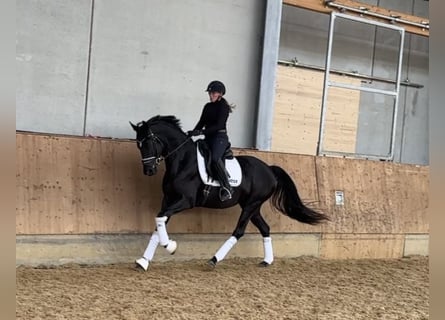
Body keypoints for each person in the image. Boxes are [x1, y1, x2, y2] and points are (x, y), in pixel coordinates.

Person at [187, 80, 234, 202]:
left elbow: (219, 125)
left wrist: (201, 132)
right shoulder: (207, 107)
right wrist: (192, 133)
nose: (211, 95)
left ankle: (227, 187)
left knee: (214, 159)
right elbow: (201, 122)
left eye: (213, 93)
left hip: (220, 138)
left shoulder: (223, 106)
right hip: (208, 138)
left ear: (221, 94)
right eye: (210, 93)